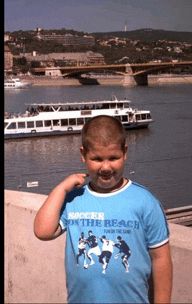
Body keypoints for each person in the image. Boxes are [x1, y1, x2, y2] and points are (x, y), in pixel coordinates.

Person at [34, 115, 173, 303]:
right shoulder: (74, 199)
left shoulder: (145, 201)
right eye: (97, 159)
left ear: (125, 152)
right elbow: (43, 231)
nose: (106, 167)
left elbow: (161, 260)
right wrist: (61, 188)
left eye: (113, 158)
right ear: (83, 155)